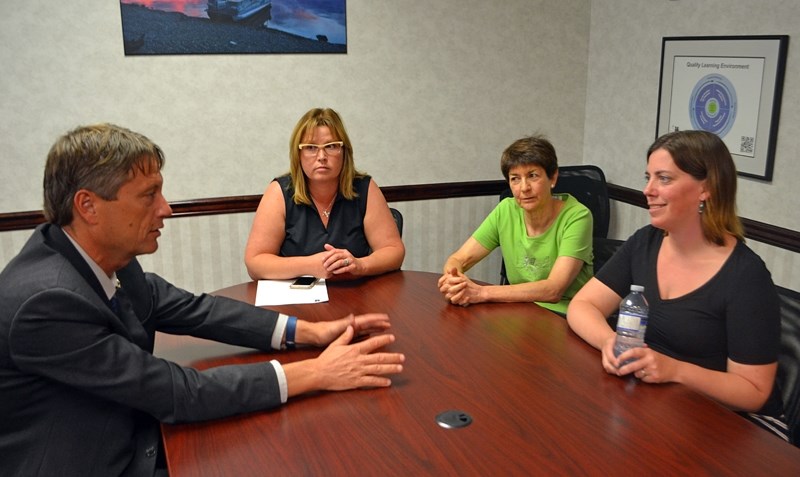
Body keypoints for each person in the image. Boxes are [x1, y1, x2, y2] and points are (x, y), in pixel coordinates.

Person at [0, 124, 406, 476]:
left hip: (133, 428)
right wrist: (317, 374)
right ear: (88, 206)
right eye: (149, 195)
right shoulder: (47, 301)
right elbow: (177, 392)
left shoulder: (105, 258)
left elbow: (193, 309)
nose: (167, 209)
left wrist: (308, 331)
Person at [566, 130, 788, 440]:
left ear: (706, 189)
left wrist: (674, 370)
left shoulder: (746, 276)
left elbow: (753, 392)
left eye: (664, 179)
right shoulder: (646, 241)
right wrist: (609, 342)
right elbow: (583, 305)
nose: (647, 190)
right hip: (663, 404)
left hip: (738, 426)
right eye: (648, 177)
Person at [438, 134, 593, 315]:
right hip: (517, 308)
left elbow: (553, 290)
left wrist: (481, 292)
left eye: (532, 176)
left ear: (553, 178)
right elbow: (459, 258)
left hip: (563, 316)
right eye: (515, 178)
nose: (524, 188)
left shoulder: (578, 216)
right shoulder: (506, 210)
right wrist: (453, 279)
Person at [245, 108, 405, 281]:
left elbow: (394, 251)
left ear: (345, 152)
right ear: (298, 155)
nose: (321, 156)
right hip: (296, 301)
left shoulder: (365, 187)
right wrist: (310, 265)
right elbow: (255, 263)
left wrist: (360, 265)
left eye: (331, 146)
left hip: (356, 298)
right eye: (311, 148)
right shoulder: (279, 192)